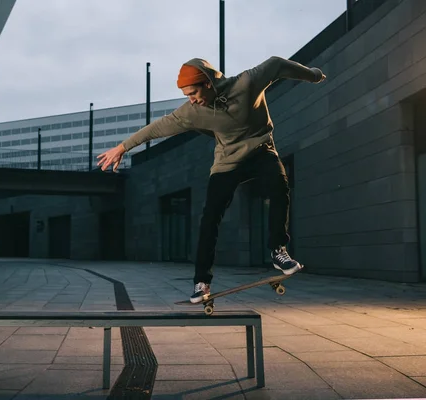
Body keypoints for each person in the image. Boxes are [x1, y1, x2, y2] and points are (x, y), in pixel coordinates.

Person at [97, 56, 326, 303]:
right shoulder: (192, 112)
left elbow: (276, 65)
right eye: (187, 95)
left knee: (279, 185)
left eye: (193, 92)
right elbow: (156, 128)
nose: (191, 99)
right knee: (210, 219)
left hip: (261, 149)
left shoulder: (247, 83)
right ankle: (201, 281)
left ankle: (278, 251)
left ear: (207, 83)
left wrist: (312, 75)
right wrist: (122, 147)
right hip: (227, 161)